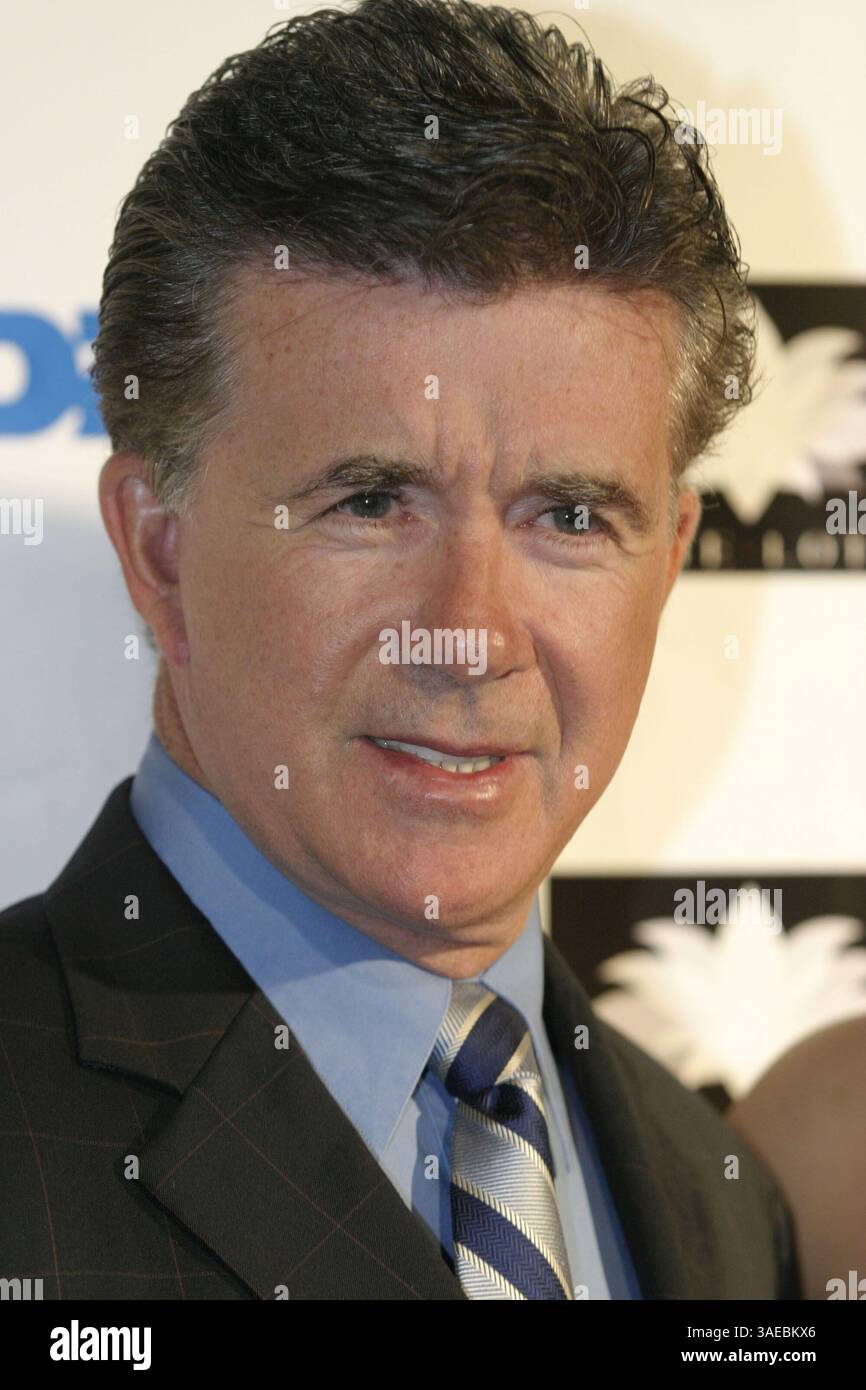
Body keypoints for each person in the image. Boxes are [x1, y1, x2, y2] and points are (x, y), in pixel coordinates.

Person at [0, 0, 801, 1300]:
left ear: (665, 564)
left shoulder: (717, 1201)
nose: (469, 636)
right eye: (370, 502)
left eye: (570, 516)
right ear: (158, 551)